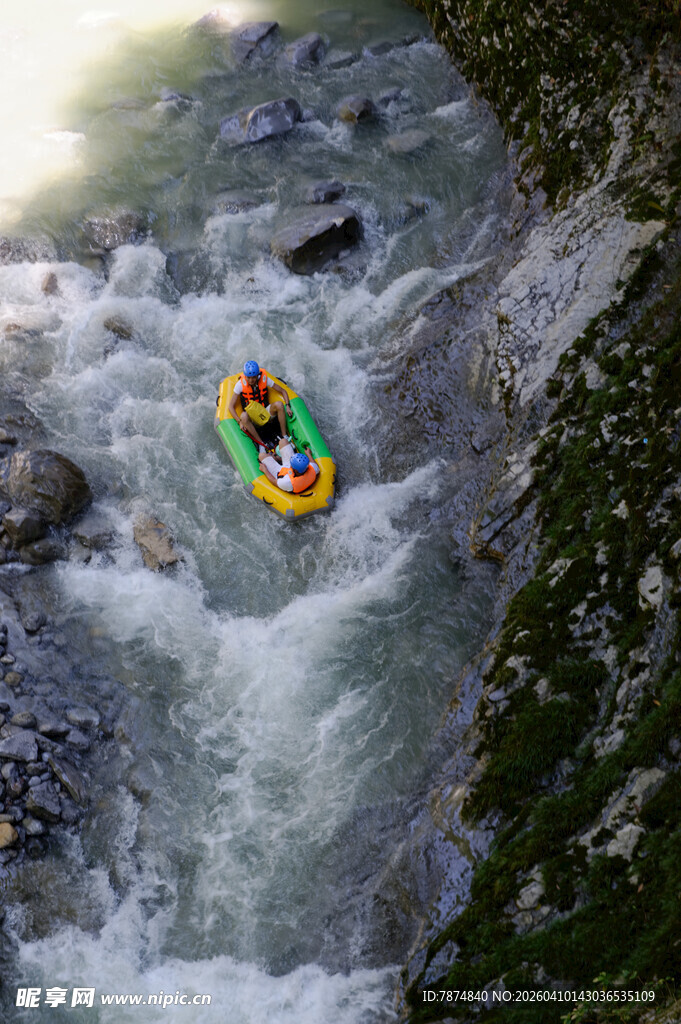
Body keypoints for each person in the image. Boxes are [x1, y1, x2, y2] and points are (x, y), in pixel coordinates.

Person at [228, 360, 292, 447]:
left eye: (253, 377)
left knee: (280, 404)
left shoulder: (264, 379)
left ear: (258, 375)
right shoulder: (240, 385)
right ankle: (261, 443)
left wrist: (287, 406)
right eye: (248, 377)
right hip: (252, 418)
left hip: (265, 413)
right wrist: (239, 422)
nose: (251, 380)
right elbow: (230, 407)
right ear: (245, 376)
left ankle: (284, 435)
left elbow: (283, 391)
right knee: (243, 416)